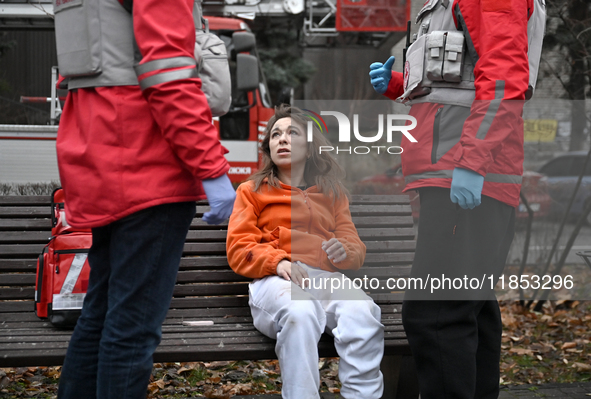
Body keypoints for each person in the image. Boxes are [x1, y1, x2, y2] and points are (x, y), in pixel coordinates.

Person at [54, 0, 236, 398]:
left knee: (100, 316)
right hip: (147, 165)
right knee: (131, 330)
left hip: (99, 159)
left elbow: (76, 82)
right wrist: (212, 170)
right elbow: (168, 76)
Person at [369, 0, 544, 398]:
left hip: (463, 175)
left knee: (436, 314)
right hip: (459, 173)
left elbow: (503, 79)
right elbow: (460, 82)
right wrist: (398, 84)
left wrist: (472, 161)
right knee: (468, 310)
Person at [226, 105, 384, 399]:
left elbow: (354, 246)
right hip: (275, 281)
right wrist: (278, 262)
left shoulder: (332, 192)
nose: (282, 139)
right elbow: (239, 248)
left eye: (292, 132)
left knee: (363, 312)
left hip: (323, 278)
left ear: (310, 147)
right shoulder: (252, 190)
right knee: (301, 311)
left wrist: (344, 250)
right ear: (269, 147)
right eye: (275, 134)